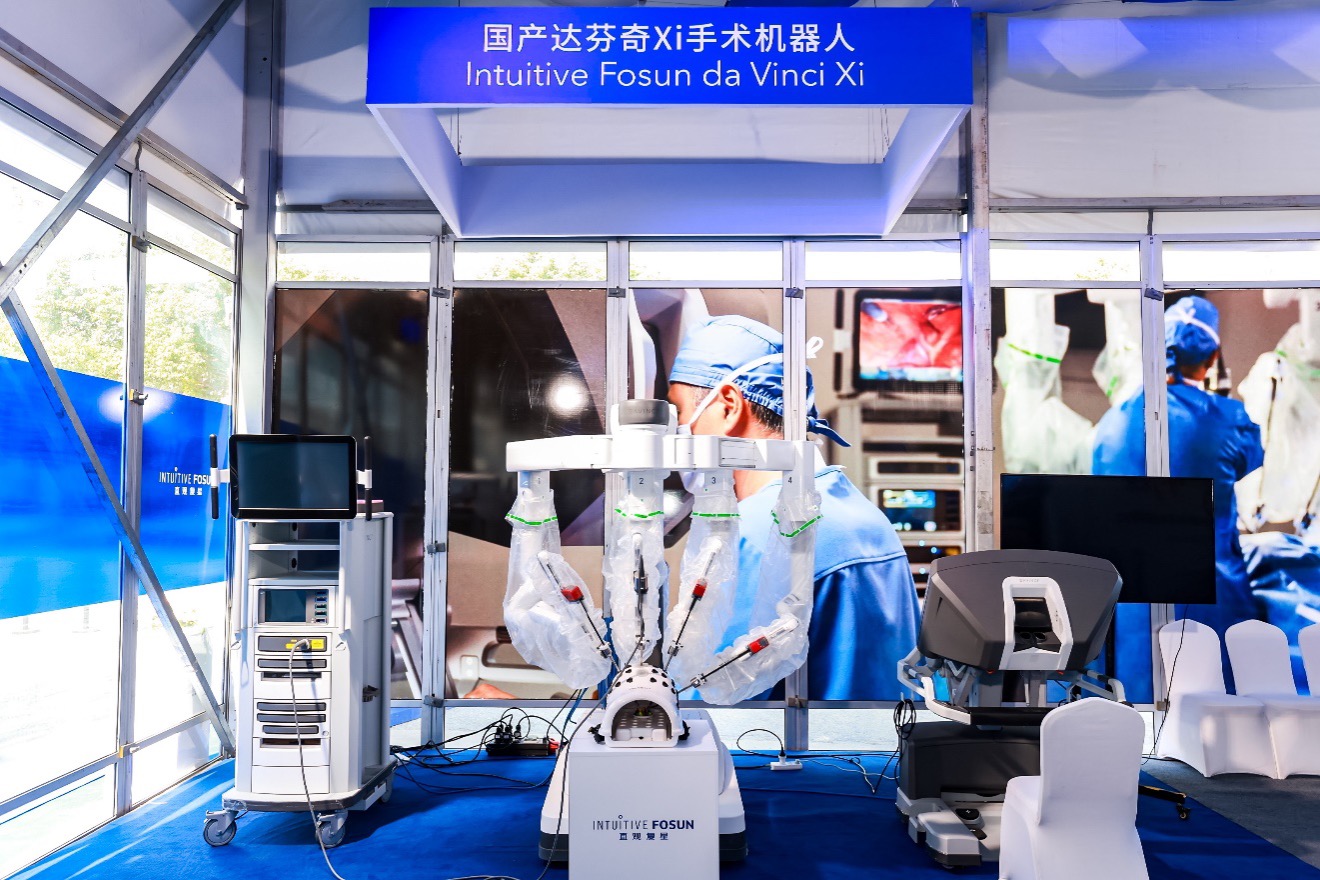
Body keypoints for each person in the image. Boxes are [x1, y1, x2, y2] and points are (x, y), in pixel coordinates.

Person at [667, 315, 920, 700]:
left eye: (679, 411)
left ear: (729, 405)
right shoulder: (864, 517)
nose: (679, 430)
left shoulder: (757, 533)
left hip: (790, 740)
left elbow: (708, 696)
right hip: (881, 739)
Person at [1092, 295, 1265, 697]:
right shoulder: (1228, 418)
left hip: (1128, 606)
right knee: (1214, 712)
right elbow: (1247, 459)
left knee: (1138, 711)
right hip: (1208, 596)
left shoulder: (1110, 422)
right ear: (1214, 357)